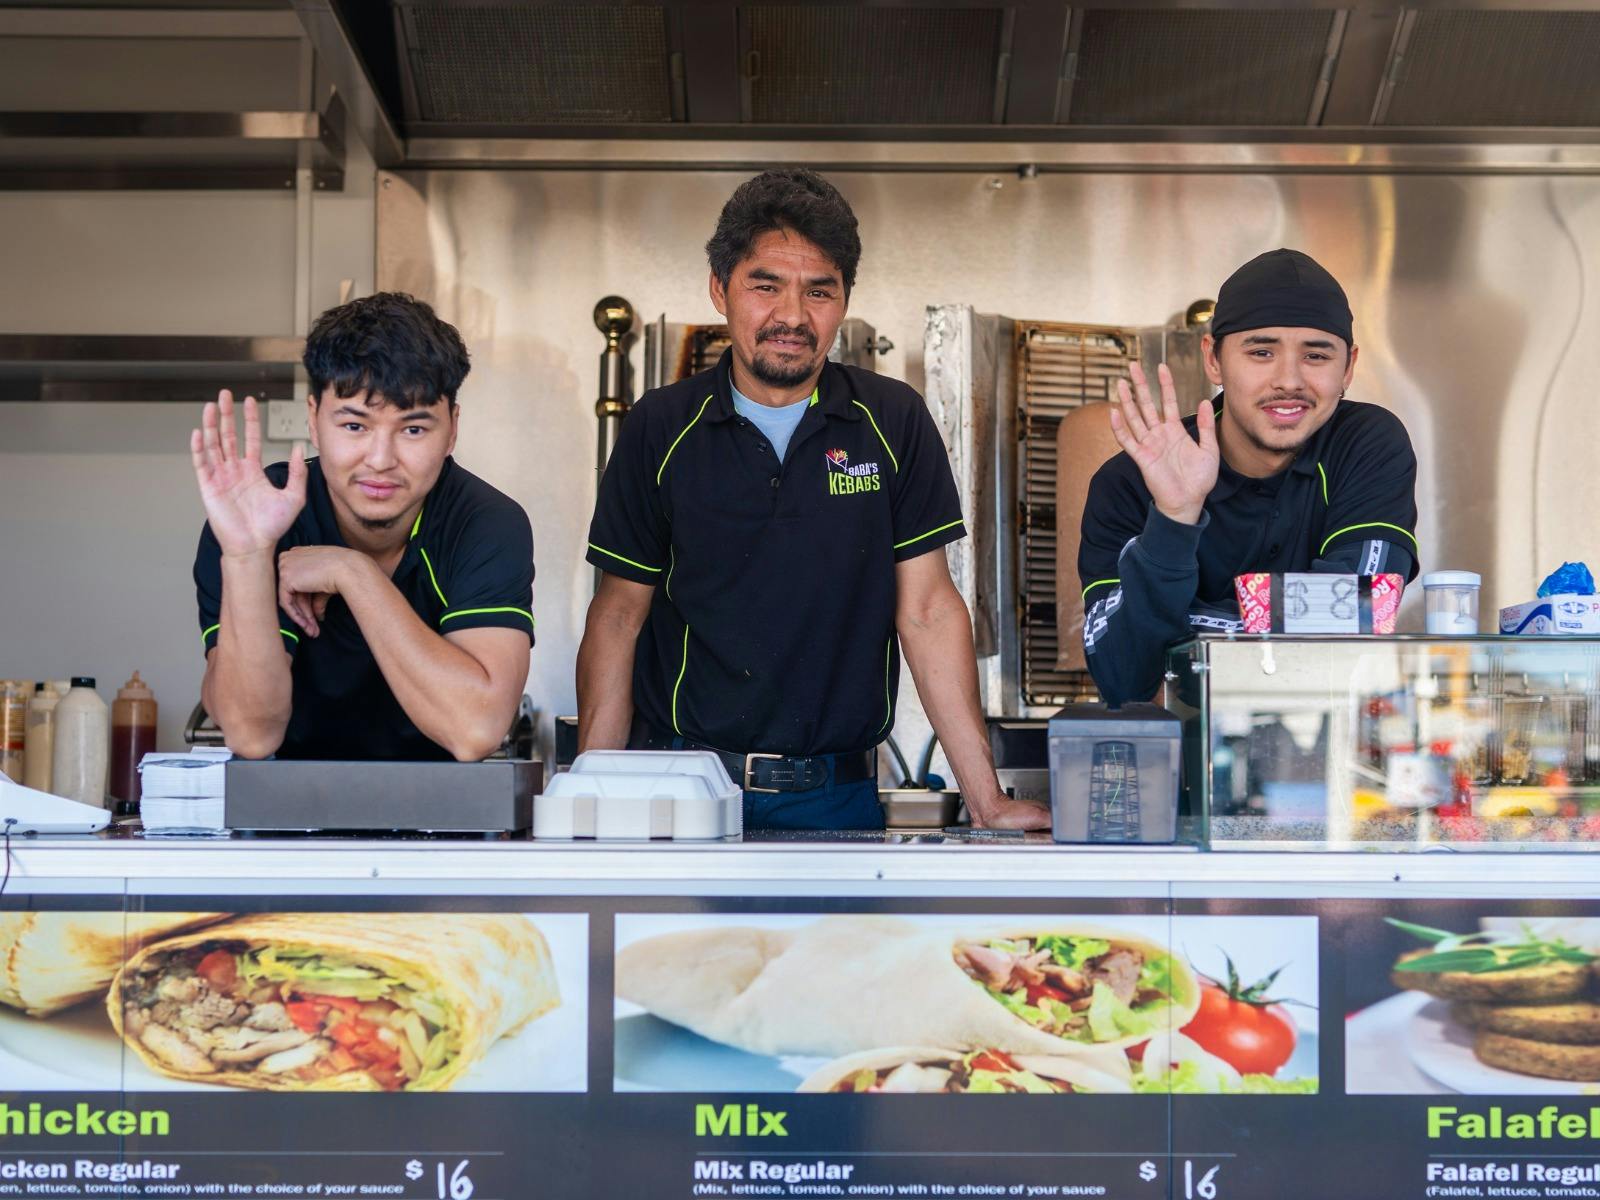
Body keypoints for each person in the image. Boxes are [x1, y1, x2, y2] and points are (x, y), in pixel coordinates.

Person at [577, 167, 1044, 831]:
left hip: (837, 796)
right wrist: (593, 798)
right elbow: (618, 616)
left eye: (818, 291)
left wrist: (985, 799)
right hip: (683, 788)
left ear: (844, 299)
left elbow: (930, 610)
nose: (792, 316)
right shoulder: (661, 426)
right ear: (721, 289)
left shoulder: (892, 419)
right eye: (765, 286)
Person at [191, 292, 534, 760]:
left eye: (413, 429)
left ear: (452, 428)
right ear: (314, 420)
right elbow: (251, 734)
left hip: (445, 817)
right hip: (286, 815)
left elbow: (475, 729)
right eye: (355, 426)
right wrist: (247, 558)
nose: (381, 460)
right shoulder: (258, 515)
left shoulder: (486, 523)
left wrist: (352, 573)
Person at [1079, 248, 1420, 706]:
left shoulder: (1366, 443)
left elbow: (1356, 619)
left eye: (1316, 356)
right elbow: (1125, 680)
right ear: (1214, 360)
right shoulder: (1129, 482)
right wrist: (1174, 520)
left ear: (1349, 367)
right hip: (1183, 768)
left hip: (1335, 764)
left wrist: (1188, 634)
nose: (1289, 380)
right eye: (1261, 352)